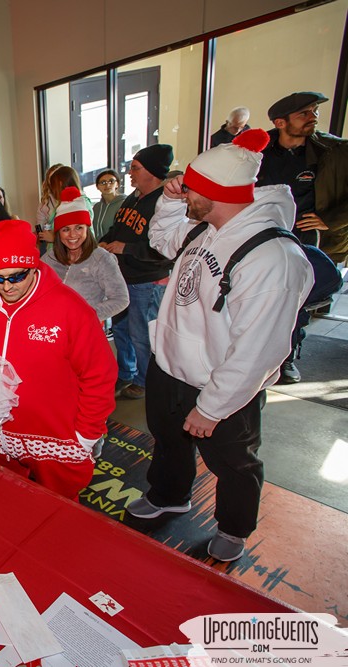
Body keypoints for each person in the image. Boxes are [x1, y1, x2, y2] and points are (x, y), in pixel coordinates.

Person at [129, 130, 313, 562]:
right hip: (170, 368)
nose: (182, 189)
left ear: (214, 193)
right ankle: (170, 495)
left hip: (220, 387)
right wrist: (174, 201)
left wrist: (212, 407)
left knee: (234, 463)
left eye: (190, 187)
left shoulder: (273, 258)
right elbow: (162, 239)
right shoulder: (206, 226)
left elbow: (260, 350)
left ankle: (234, 527)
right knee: (168, 441)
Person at [0, 219, 117, 499]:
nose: (7, 286)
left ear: (33, 266)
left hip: (53, 438)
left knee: (60, 514)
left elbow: (100, 375)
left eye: (16, 276)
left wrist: (85, 435)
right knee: (3, 501)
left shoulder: (70, 308)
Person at [256, 91, 348, 383]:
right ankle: (257, 355)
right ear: (280, 122)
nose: (313, 118)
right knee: (262, 298)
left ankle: (286, 359)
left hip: (304, 238)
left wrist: (330, 220)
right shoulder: (257, 150)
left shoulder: (335, 152)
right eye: (304, 114)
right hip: (261, 236)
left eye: (314, 111)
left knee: (298, 300)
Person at [99, 144, 175, 400]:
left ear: (152, 171)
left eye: (135, 167)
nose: (129, 172)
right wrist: (104, 241)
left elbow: (165, 251)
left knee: (142, 335)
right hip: (122, 278)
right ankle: (126, 373)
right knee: (120, 330)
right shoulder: (133, 197)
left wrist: (126, 248)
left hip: (147, 280)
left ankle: (144, 381)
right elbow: (118, 228)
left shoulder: (166, 203)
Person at [42, 186, 128, 321]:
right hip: (55, 327)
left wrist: (85, 315)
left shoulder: (101, 258)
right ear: (58, 233)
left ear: (87, 229)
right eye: (65, 229)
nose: (72, 235)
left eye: (79, 228)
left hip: (86, 328)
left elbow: (121, 299)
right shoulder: (50, 258)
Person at [37, 165, 91, 251]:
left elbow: (82, 236)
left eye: (53, 186)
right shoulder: (63, 203)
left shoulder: (82, 204)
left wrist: (53, 238)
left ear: (60, 183)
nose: (52, 191)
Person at [92, 169, 127, 239]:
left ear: (117, 184)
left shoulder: (124, 204)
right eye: (103, 182)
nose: (107, 185)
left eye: (111, 181)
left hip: (115, 247)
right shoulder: (96, 207)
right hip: (97, 247)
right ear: (97, 187)